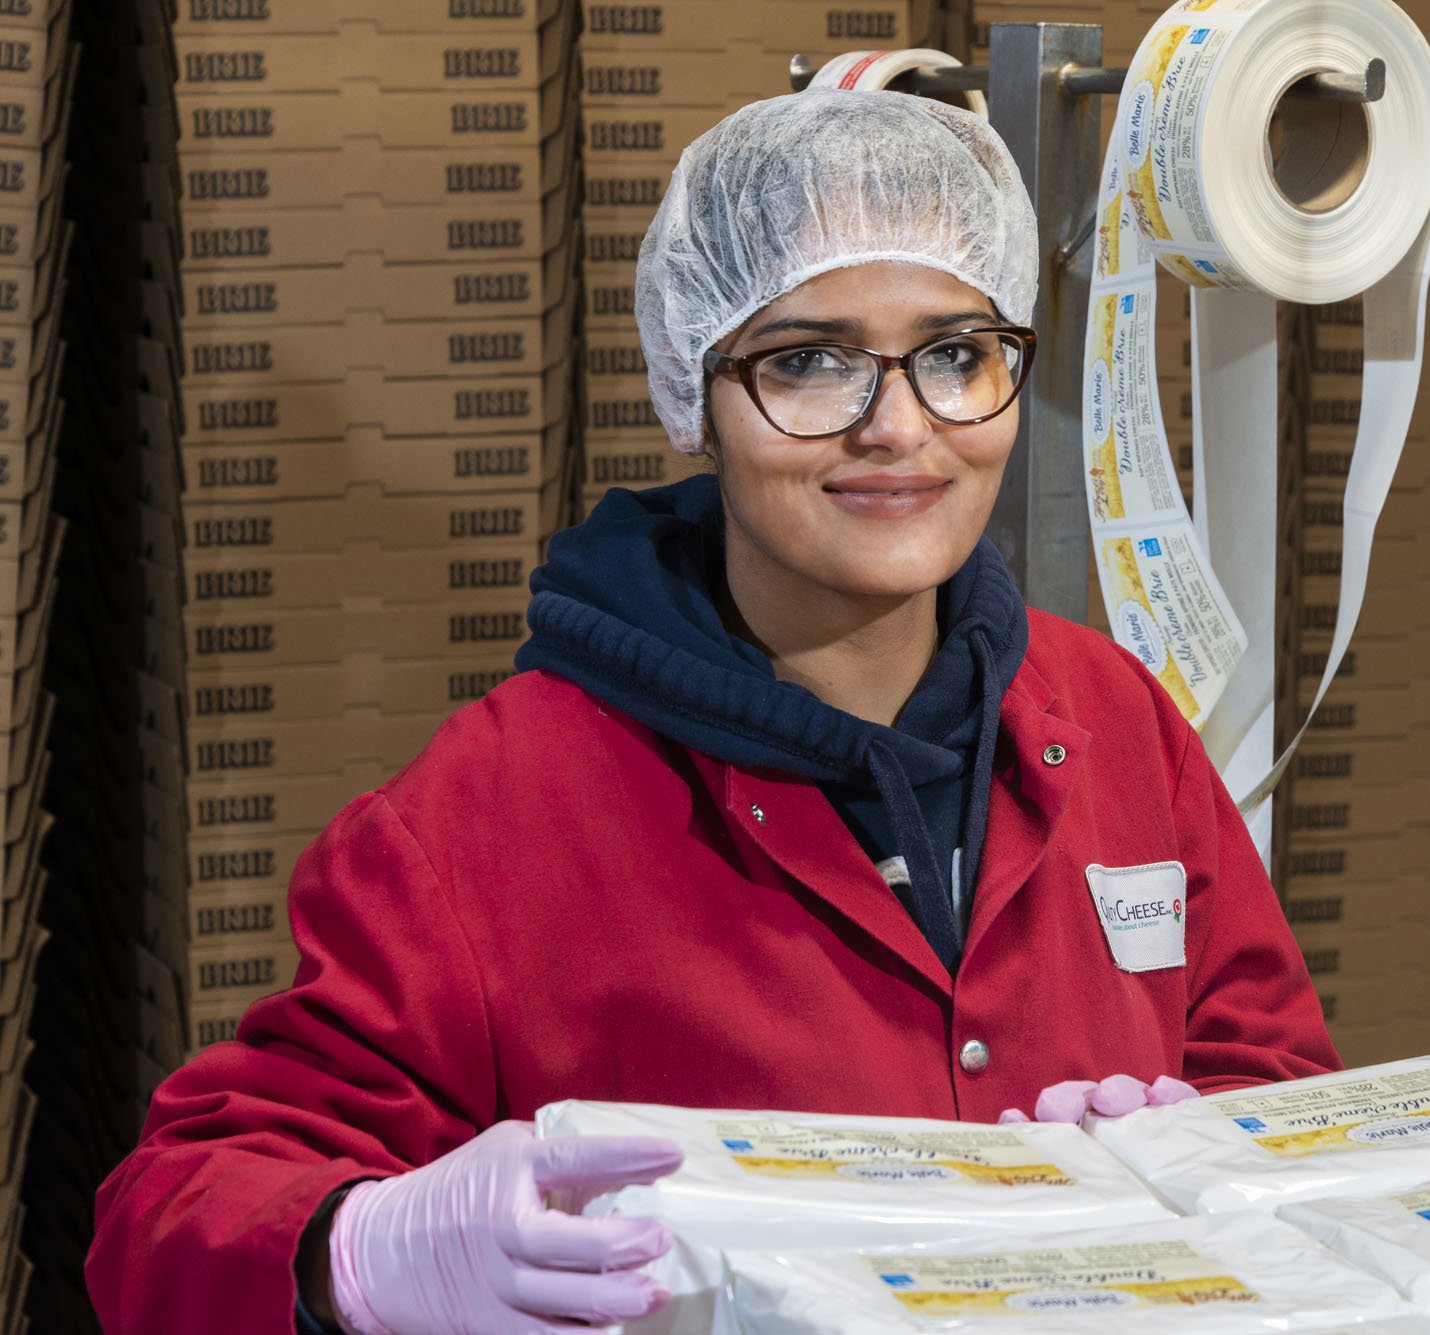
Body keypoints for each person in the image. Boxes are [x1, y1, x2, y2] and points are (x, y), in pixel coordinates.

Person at [87, 89, 1337, 1334]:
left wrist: (1215, 1167)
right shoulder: (500, 808)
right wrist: (353, 1254)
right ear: (697, 394)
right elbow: (170, 1212)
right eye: (808, 362)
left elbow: (1272, 1073)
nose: (899, 428)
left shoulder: (1112, 719)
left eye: (955, 353)